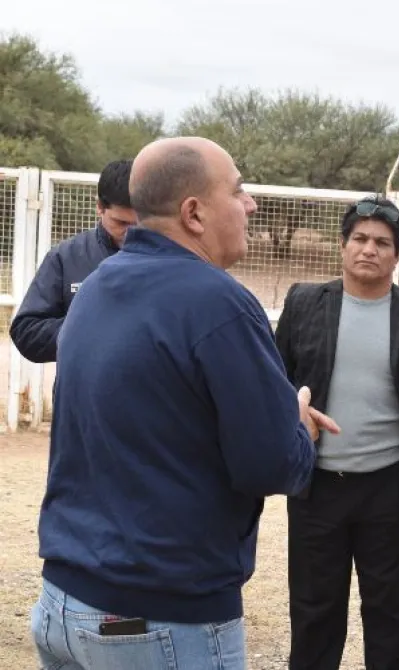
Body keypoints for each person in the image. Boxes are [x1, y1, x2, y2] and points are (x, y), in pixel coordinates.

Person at [29, 137, 329, 670]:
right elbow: (269, 465)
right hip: (160, 618)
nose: (251, 204)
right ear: (194, 213)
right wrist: (300, 427)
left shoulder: (96, 286)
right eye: (237, 190)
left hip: (64, 603)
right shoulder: (219, 303)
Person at [275, 195, 399, 670]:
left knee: (392, 614)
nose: (369, 249)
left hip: (392, 489)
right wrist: (294, 417)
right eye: (360, 239)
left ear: (396, 255)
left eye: (382, 243)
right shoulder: (305, 303)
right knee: (314, 611)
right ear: (343, 245)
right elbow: (275, 382)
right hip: (318, 487)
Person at [10, 159, 136, 363]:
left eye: (139, 223)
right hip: (82, 382)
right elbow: (26, 332)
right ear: (99, 207)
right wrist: (88, 329)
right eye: (121, 222)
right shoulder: (65, 256)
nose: (130, 232)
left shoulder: (169, 258)